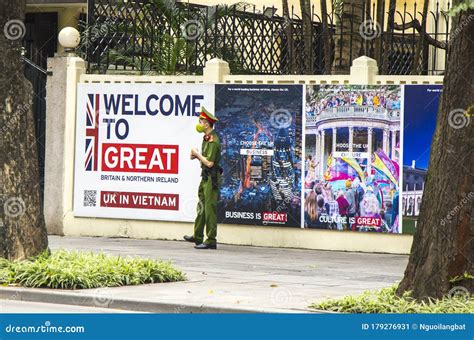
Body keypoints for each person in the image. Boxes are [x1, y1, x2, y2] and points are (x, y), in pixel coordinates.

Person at [183, 107, 221, 250]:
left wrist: (197, 155)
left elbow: (210, 163)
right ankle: (197, 236)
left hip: (212, 179)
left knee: (209, 209)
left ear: (207, 124)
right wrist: (197, 156)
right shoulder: (206, 138)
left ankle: (211, 240)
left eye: (201, 121)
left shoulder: (213, 140)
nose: (198, 123)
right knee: (201, 207)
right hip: (205, 177)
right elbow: (205, 161)